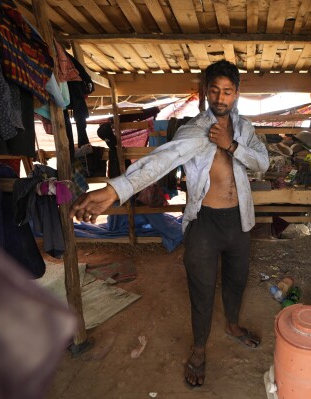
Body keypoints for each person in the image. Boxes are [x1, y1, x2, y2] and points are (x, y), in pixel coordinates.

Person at [69, 60, 269, 388]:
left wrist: (231, 145)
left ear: (237, 94)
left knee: (236, 280)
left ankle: (233, 326)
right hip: (205, 223)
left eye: (227, 91)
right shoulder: (195, 130)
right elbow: (160, 161)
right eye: (215, 90)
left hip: (239, 221)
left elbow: (262, 163)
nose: (220, 97)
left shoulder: (245, 129)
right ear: (206, 92)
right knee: (202, 290)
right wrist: (114, 190)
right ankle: (199, 351)